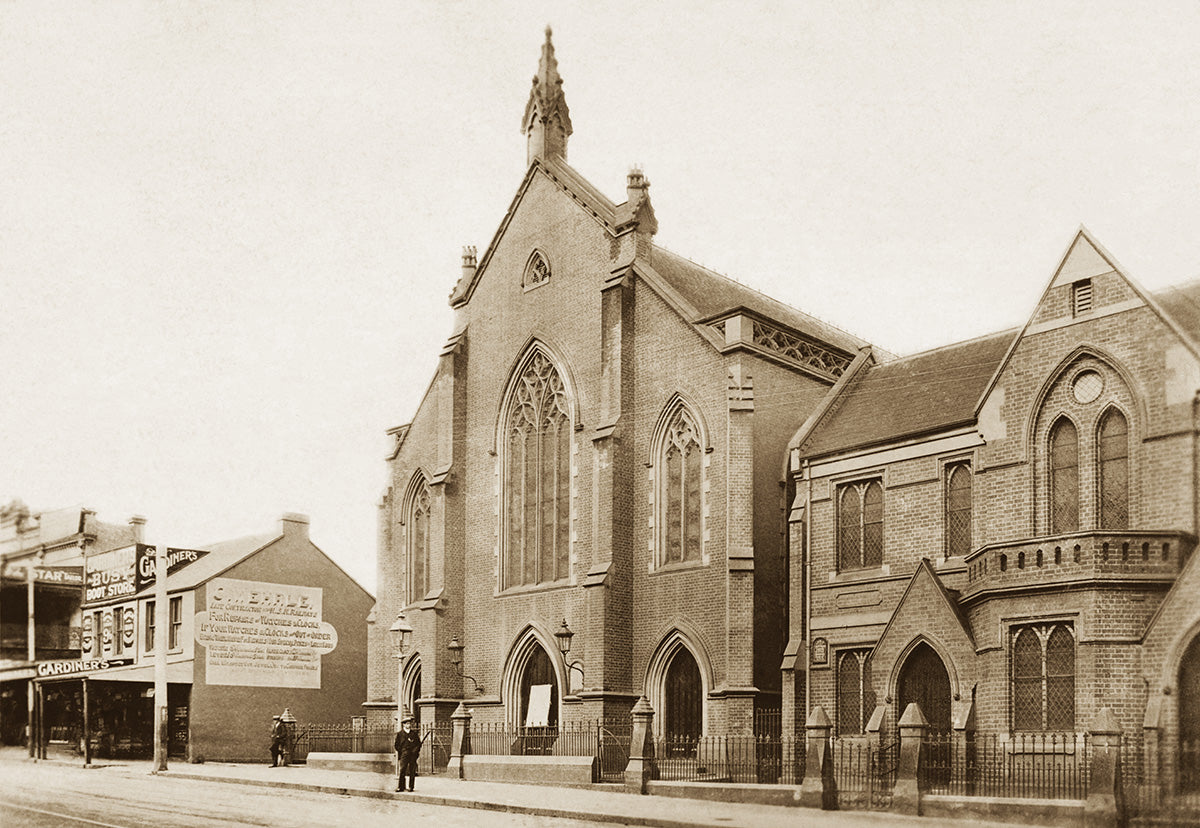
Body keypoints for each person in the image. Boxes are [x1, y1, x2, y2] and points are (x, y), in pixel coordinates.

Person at [394, 716, 421, 792]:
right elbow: (396, 745)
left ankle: (411, 787)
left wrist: (415, 751)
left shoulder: (414, 734)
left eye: (409, 723)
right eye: (407, 724)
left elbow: (418, 744)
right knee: (402, 770)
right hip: (404, 754)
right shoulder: (400, 734)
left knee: (412, 770)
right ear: (404, 725)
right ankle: (401, 787)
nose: (409, 725)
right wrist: (402, 751)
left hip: (412, 755)